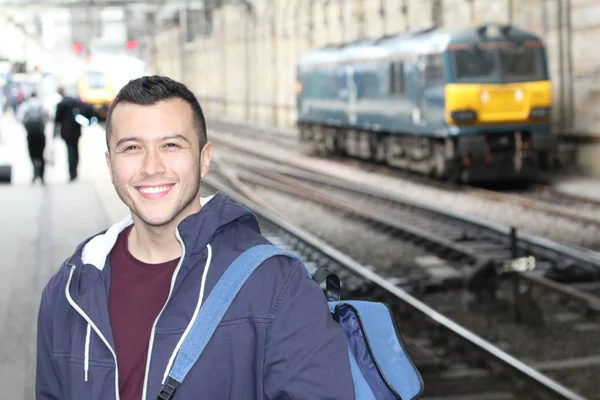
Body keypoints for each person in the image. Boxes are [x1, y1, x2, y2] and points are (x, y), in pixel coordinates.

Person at [36, 76, 355, 400]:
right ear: (110, 163)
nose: (151, 166)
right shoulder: (70, 289)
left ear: (204, 159)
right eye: (132, 148)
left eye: (170, 145)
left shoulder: (277, 285)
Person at [53, 86, 95, 182]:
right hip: (76, 130)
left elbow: (57, 120)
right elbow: (88, 109)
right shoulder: (76, 102)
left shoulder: (61, 104)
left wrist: (54, 134)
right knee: (75, 150)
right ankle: (75, 171)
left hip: (66, 131)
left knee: (70, 151)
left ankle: (72, 173)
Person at [17, 91, 49, 184]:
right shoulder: (41, 105)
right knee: (41, 153)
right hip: (40, 133)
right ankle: (42, 175)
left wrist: (26, 127)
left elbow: (20, 118)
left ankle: (35, 169)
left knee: (32, 153)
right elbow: (47, 117)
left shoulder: (25, 105)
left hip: (30, 134)